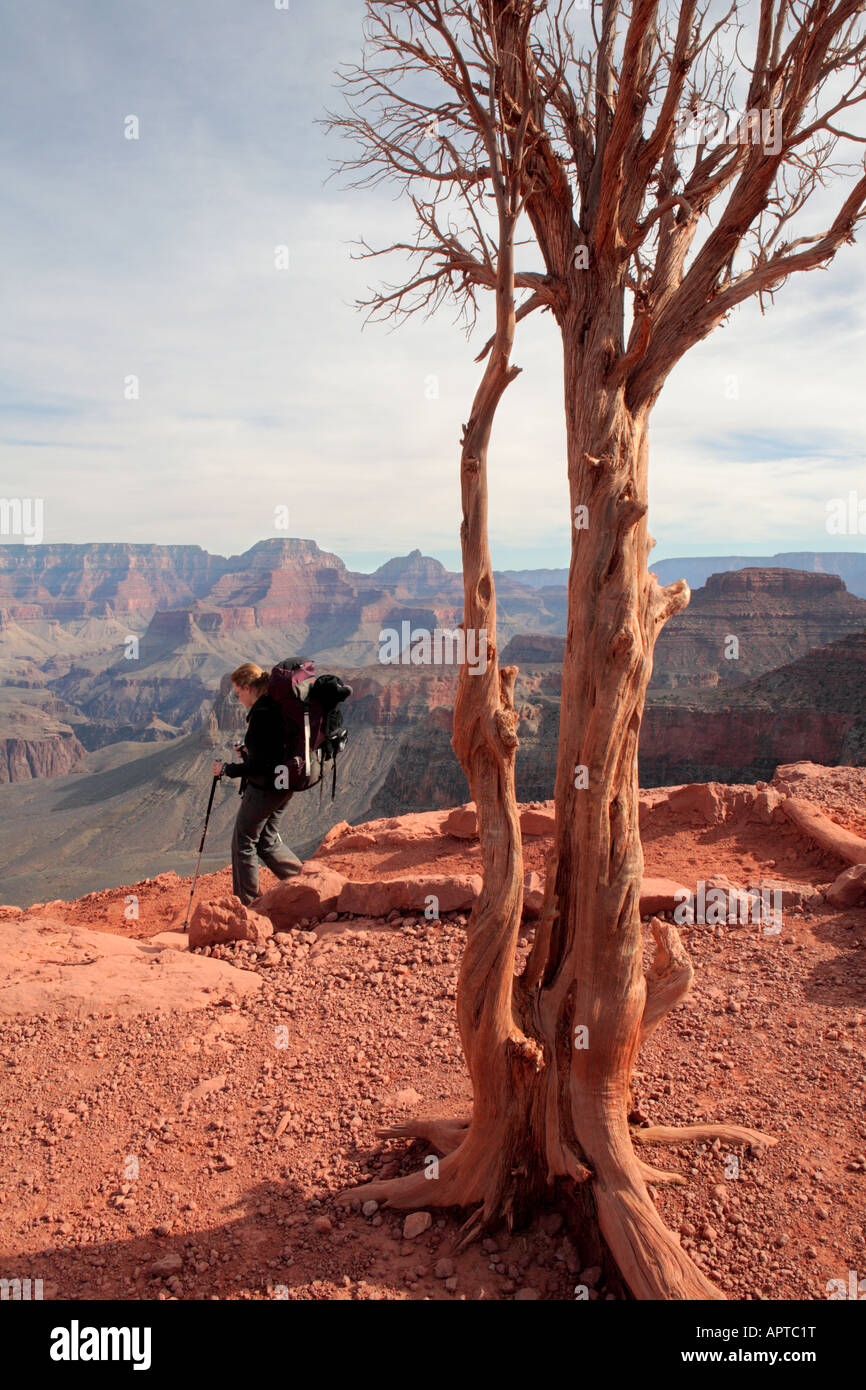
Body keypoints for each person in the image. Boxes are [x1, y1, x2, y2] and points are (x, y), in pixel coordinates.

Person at [212, 662, 303, 905]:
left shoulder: (263, 712)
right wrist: (247, 752)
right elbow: (270, 754)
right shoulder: (275, 706)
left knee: (243, 842)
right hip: (285, 786)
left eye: (237, 692)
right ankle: (305, 882)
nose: (236, 697)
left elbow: (260, 766)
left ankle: (248, 905)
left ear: (249, 687)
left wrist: (227, 770)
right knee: (267, 841)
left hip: (265, 790)